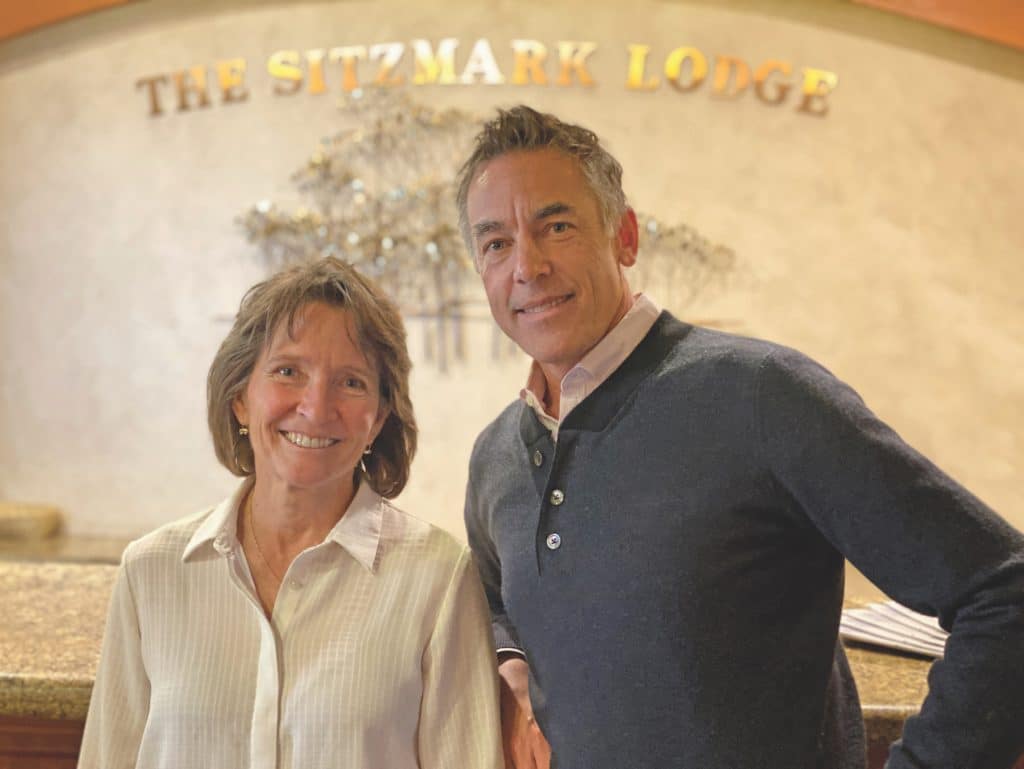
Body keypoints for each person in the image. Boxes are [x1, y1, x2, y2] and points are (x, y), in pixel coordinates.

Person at [457, 105, 1024, 769]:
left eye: (556, 226)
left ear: (626, 237)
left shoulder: (762, 395)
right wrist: (513, 676)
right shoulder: (496, 458)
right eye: (496, 243)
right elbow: (497, 603)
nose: (527, 265)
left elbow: (1002, 588)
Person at [78, 257, 503, 769]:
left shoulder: (438, 579)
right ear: (240, 397)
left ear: (379, 418)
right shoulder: (151, 572)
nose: (316, 406)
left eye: (351, 382)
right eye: (287, 372)